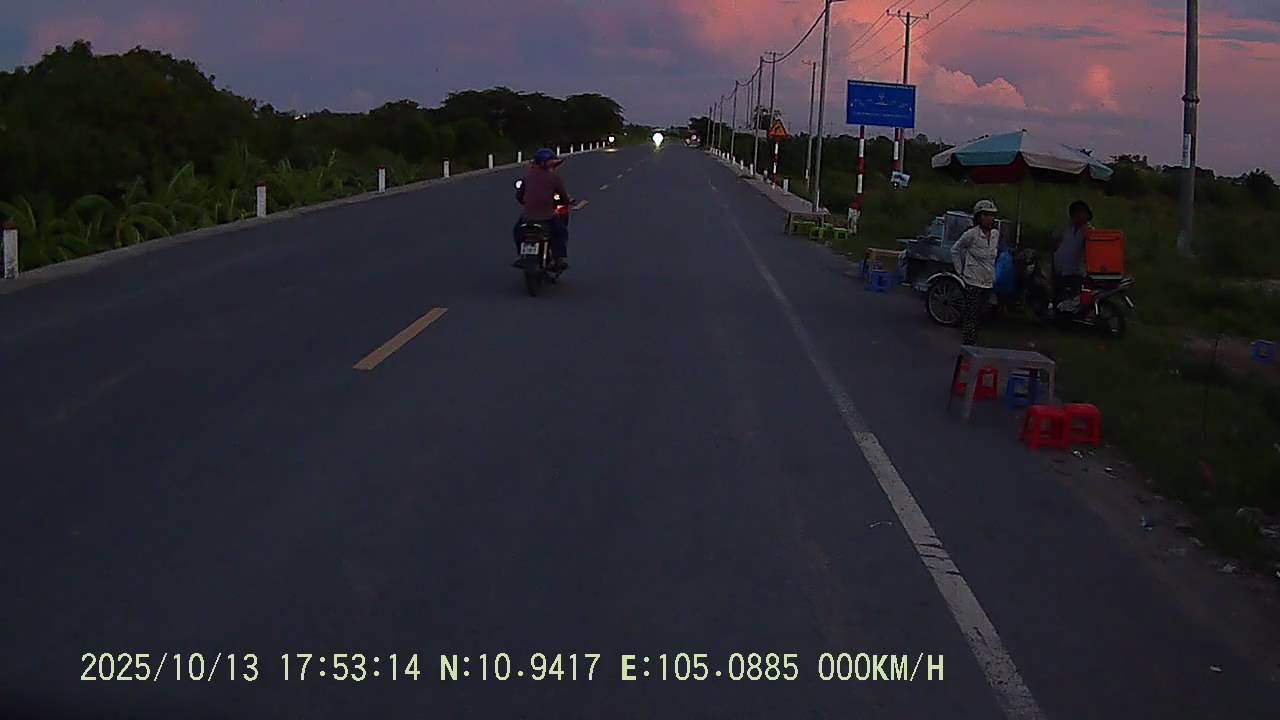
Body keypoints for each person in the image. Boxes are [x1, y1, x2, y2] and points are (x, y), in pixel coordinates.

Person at [952, 200, 1001, 345]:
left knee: (982, 316)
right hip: (973, 281)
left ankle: (975, 346)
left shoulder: (995, 234)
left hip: (987, 281)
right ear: (979, 217)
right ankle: (967, 346)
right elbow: (955, 250)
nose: (989, 218)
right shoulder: (971, 234)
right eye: (986, 215)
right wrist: (960, 271)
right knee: (971, 317)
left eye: (991, 215)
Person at [513, 148, 571, 270]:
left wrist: (527, 202)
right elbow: (564, 197)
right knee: (561, 232)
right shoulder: (554, 178)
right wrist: (567, 201)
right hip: (547, 216)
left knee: (517, 231)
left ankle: (521, 255)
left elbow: (519, 196)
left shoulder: (528, 177)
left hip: (527, 217)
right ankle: (559, 259)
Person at [1051, 200, 1094, 307]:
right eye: (1076, 212)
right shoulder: (1065, 227)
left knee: (1073, 299)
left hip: (1076, 272)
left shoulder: (1089, 231)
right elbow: (1054, 240)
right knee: (1057, 297)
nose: (1078, 215)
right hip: (1060, 269)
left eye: (1081, 213)